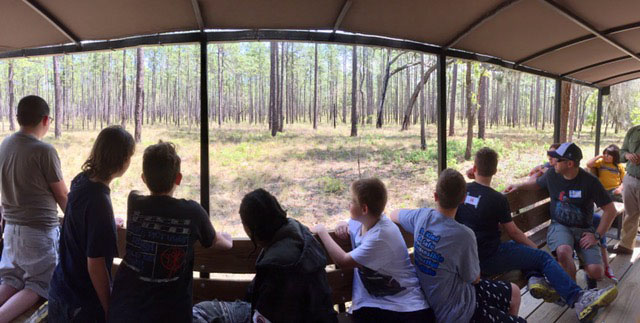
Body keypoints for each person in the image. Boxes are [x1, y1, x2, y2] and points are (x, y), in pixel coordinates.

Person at [459, 147, 617, 321]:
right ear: (495, 171)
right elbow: (513, 232)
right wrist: (537, 250)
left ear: (474, 169)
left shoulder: (462, 190)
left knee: (524, 252)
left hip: (464, 258)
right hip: (490, 257)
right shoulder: (498, 199)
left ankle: (535, 278)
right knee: (540, 257)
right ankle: (578, 298)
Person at [108, 142, 233, 322]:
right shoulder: (192, 212)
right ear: (179, 178)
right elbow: (216, 242)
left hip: (125, 309)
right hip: (171, 313)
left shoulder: (134, 201)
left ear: (144, 178)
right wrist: (228, 239)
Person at [390, 169, 524, 322]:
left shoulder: (422, 216)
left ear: (435, 196)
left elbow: (394, 214)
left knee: (514, 292)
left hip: (458, 294)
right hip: (460, 313)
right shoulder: (464, 235)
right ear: (463, 200)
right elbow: (474, 278)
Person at [193, 188, 338, 323]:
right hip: (318, 316)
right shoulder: (301, 233)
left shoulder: (277, 265)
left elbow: (267, 314)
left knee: (198, 313)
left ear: (249, 229)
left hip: (282, 316)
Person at [313, 178, 433, 323]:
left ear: (364, 209)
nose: (348, 204)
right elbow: (352, 221)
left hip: (408, 308)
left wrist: (322, 231)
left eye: (352, 201)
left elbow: (343, 261)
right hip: (378, 305)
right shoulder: (366, 220)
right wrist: (342, 222)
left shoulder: (380, 236)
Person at [48, 126, 135, 322]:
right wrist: (108, 308)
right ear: (121, 160)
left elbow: (80, 217)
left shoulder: (81, 180)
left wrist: (108, 223)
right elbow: (95, 265)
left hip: (60, 291)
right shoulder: (99, 202)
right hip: (81, 304)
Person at [505, 143, 617, 288]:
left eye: (557, 159)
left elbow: (611, 210)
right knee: (563, 251)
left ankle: (588, 275)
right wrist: (518, 185)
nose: (553, 162)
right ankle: (576, 293)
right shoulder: (552, 174)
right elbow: (537, 184)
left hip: (584, 229)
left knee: (597, 272)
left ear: (570, 164)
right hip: (560, 225)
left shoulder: (590, 182)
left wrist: (596, 236)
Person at [0, 95, 68, 322]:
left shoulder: (5, 145)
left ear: (18, 118)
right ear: (46, 120)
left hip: (11, 230)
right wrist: (77, 220)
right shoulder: (44, 151)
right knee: (40, 285)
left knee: (11, 280)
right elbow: (61, 194)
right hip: (38, 234)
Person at [610, 124, 640, 255]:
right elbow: (621, 153)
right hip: (631, 179)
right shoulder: (633, 131)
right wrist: (627, 155)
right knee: (630, 214)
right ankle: (626, 245)